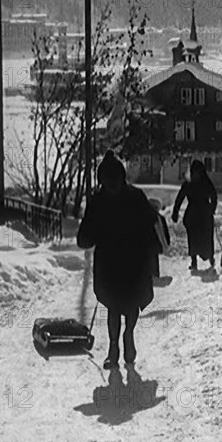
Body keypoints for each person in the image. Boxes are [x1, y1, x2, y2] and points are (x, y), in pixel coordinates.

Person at [77, 150, 158, 369]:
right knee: (117, 305)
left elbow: (149, 222)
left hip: (127, 261)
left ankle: (126, 338)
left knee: (126, 305)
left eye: (113, 180)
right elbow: (87, 234)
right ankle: (115, 346)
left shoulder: (128, 197)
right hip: (117, 262)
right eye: (107, 180)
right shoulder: (103, 200)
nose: (111, 184)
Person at [171, 159, 217, 270]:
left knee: (206, 238)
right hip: (193, 214)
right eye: (193, 171)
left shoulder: (206, 182)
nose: (194, 174)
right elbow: (180, 198)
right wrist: (175, 212)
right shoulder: (188, 184)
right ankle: (194, 261)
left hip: (205, 214)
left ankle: (210, 257)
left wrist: (212, 208)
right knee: (193, 238)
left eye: (197, 171)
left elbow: (214, 196)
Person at [148, 198, 170, 278]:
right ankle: (155, 274)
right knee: (154, 259)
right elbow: (165, 231)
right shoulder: (160, 218)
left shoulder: (143, 217)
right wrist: (166, 243)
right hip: (156, 243)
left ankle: (150, 275)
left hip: (147, 244)